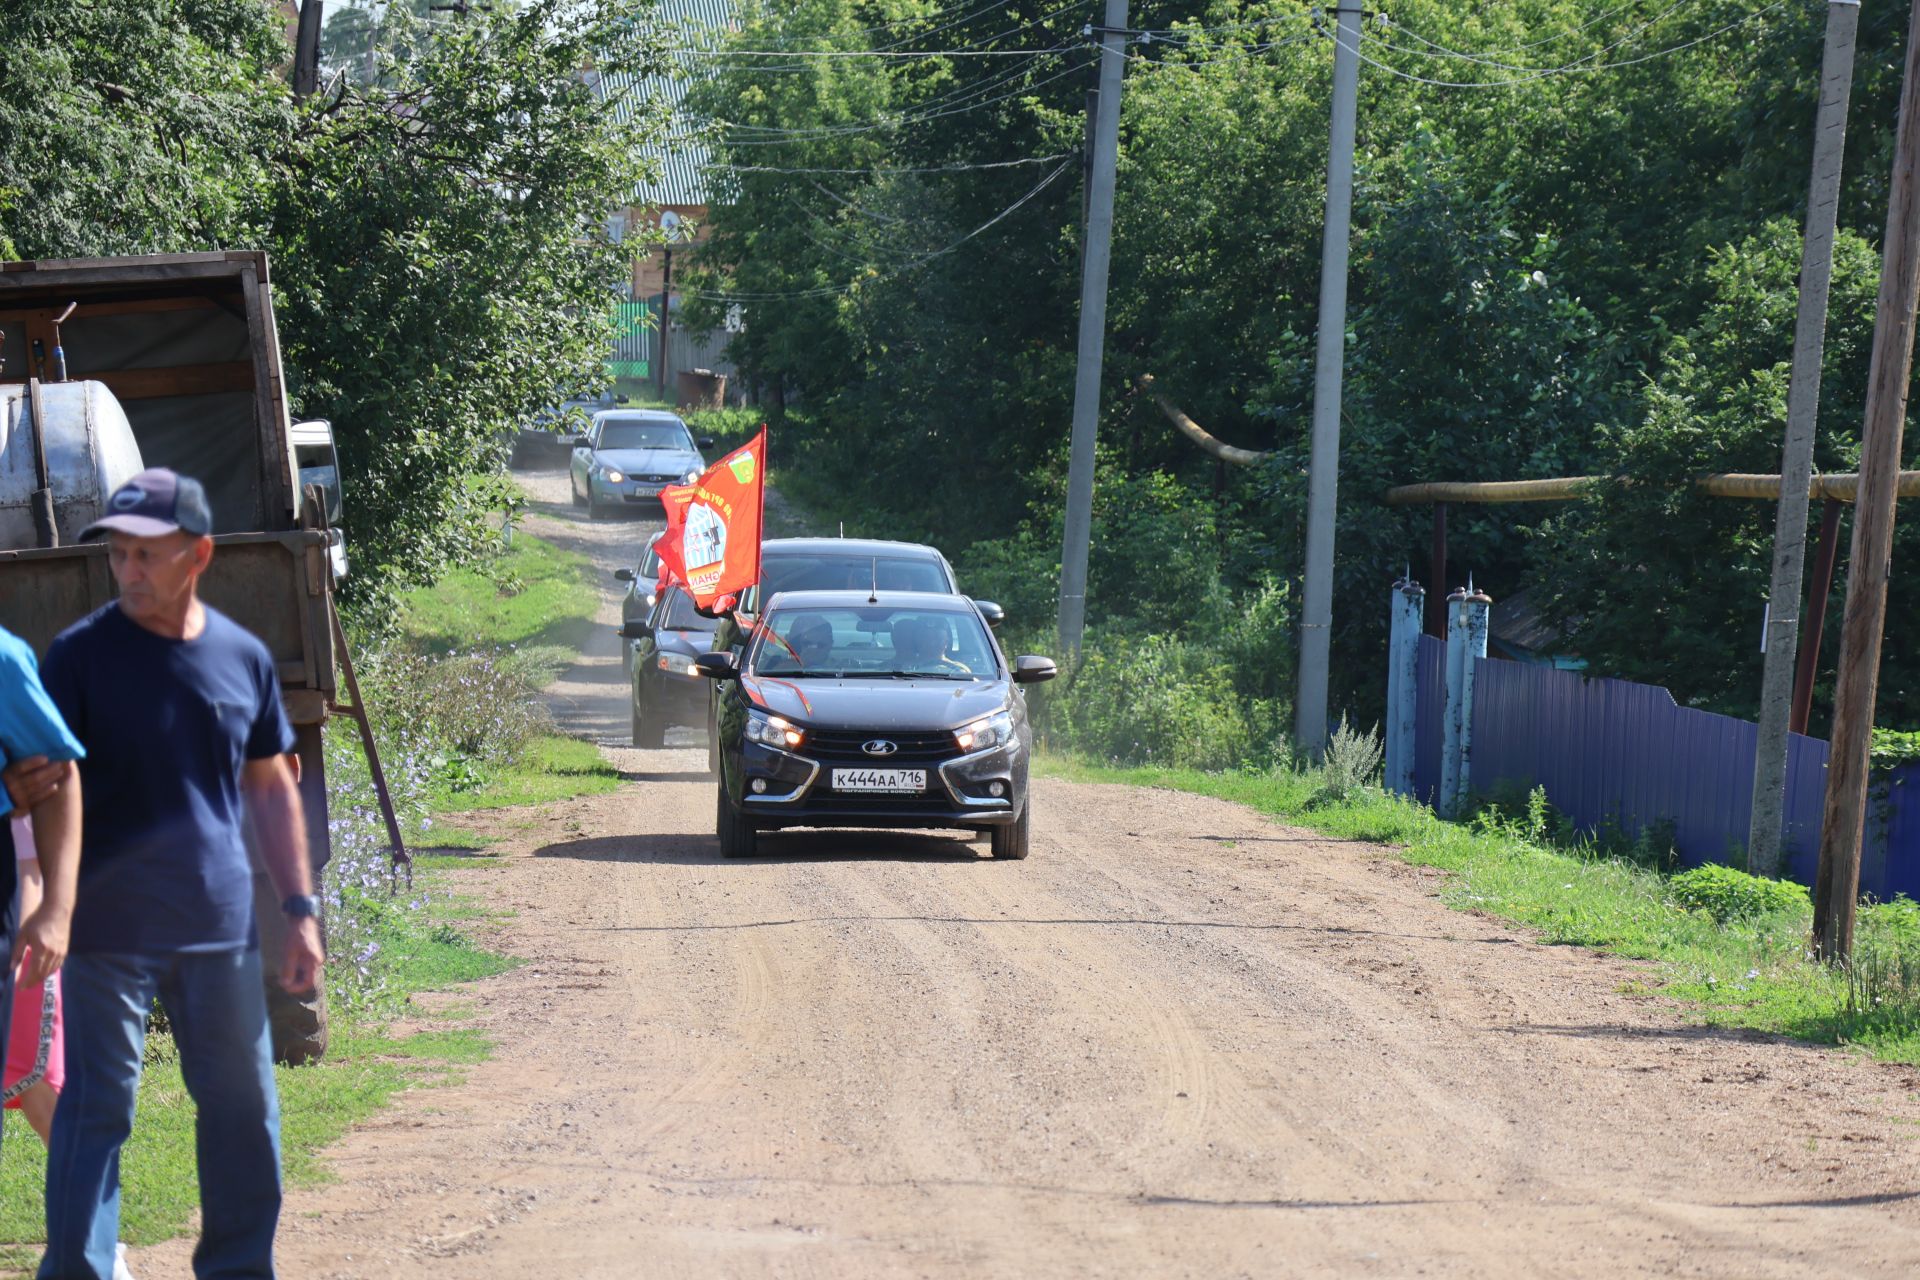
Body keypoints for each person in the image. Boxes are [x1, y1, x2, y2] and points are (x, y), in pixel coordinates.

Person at [11, 468, 323, 1280]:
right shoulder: (78, 659)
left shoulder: (241, 658)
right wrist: (47, 898)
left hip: (217, 926)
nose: (128, 572)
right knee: (95, 1108)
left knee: (243, 1108)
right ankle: (78, 1269)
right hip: (107, 929)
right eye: (118, 556)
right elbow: (46, 783)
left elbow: (270, 784)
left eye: (146, 555)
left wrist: (298, 906)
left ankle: (239, 1266)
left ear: (199, 554)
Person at [4, 818, 132, 1280]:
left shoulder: (21, 755)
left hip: (19, 935)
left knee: (44, 1100)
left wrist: (24, 949)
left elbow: (31, 862)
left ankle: (97, 1245)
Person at [0, 621, 85, 1158]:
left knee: (40, 1093)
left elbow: (29, 866)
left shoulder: (5, 661)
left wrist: (49, 917)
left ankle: (96, 1232)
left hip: (20, 948)